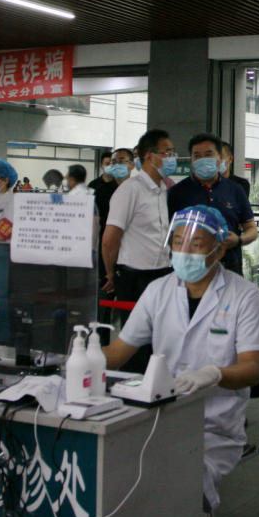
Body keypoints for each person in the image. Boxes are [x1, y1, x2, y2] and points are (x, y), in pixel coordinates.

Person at [102, 205, 259, 511]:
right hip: (157, 416)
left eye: (196, 245)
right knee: (119, 470)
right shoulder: (158, 291)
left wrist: (214, 374)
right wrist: (79, 358)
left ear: (219, 251)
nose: (184, 252)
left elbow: (252, 370)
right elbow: (116, 354)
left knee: (179, 479)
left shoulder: (243, 295)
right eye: (178, 243)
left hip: (214, 425)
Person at [102, 129, 176, 372]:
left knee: (159, 340)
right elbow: (110, 239)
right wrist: (111, 274)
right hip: (135, 277)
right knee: (136, 343)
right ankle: (131, 386)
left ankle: (156, 384)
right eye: (167, 153)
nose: (172, 158)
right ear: (149, 157)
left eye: (173, 153)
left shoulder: (163, 189)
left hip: (162, 275)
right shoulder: (130, 190)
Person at [168, 133, 257, 276]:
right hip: (191, 266)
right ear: (191, 160)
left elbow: (251, 229)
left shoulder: (235, 189)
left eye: (208, 154)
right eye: (197, 156)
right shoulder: (177, 192)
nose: (203, 159)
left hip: (229, 264)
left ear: (220, 157)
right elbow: (168, 232)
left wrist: (238, 240)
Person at [94, 148, 136, 326]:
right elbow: (95, 225)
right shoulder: (101, 191)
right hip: (106, 255)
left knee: (130, 311)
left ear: (132, 165)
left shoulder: (137, 190)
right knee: (103, 310)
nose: (116, 165)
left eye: (121, 161)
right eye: (113, 162)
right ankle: (101, 341)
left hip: (130, 259)